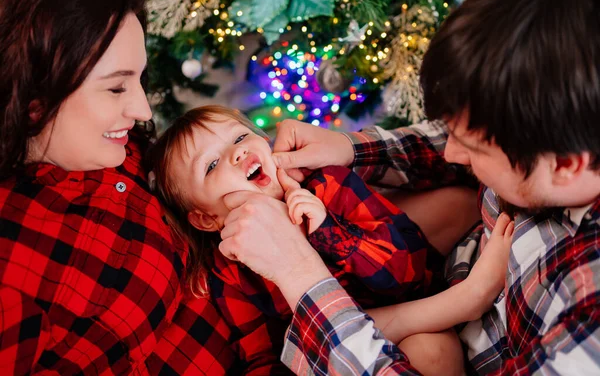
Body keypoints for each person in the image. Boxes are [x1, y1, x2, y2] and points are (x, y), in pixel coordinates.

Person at [218, 0, 600, 375]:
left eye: (471, 147)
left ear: (564, 165)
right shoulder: (557, 131)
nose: (450, 152)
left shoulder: (587, 321)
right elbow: (452, 140)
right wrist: (350, 148)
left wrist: (299, 275)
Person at [0, 0, 239, 374]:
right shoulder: (13, 261)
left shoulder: (122, 151)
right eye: (116, 89)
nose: (145, 110)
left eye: (139, 79)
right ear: (35, 102)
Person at [148, 104, 515, 375]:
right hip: (332, 351)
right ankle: (463, 302)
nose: (237, 153)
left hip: (411, 307)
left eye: (241, 137)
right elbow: (262, 354)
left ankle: (465, 301)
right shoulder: (228, 272)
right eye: (211, 165)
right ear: (206, 218)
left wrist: (327, 231)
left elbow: (408, 270)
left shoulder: (330, 186)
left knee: (435, 349)